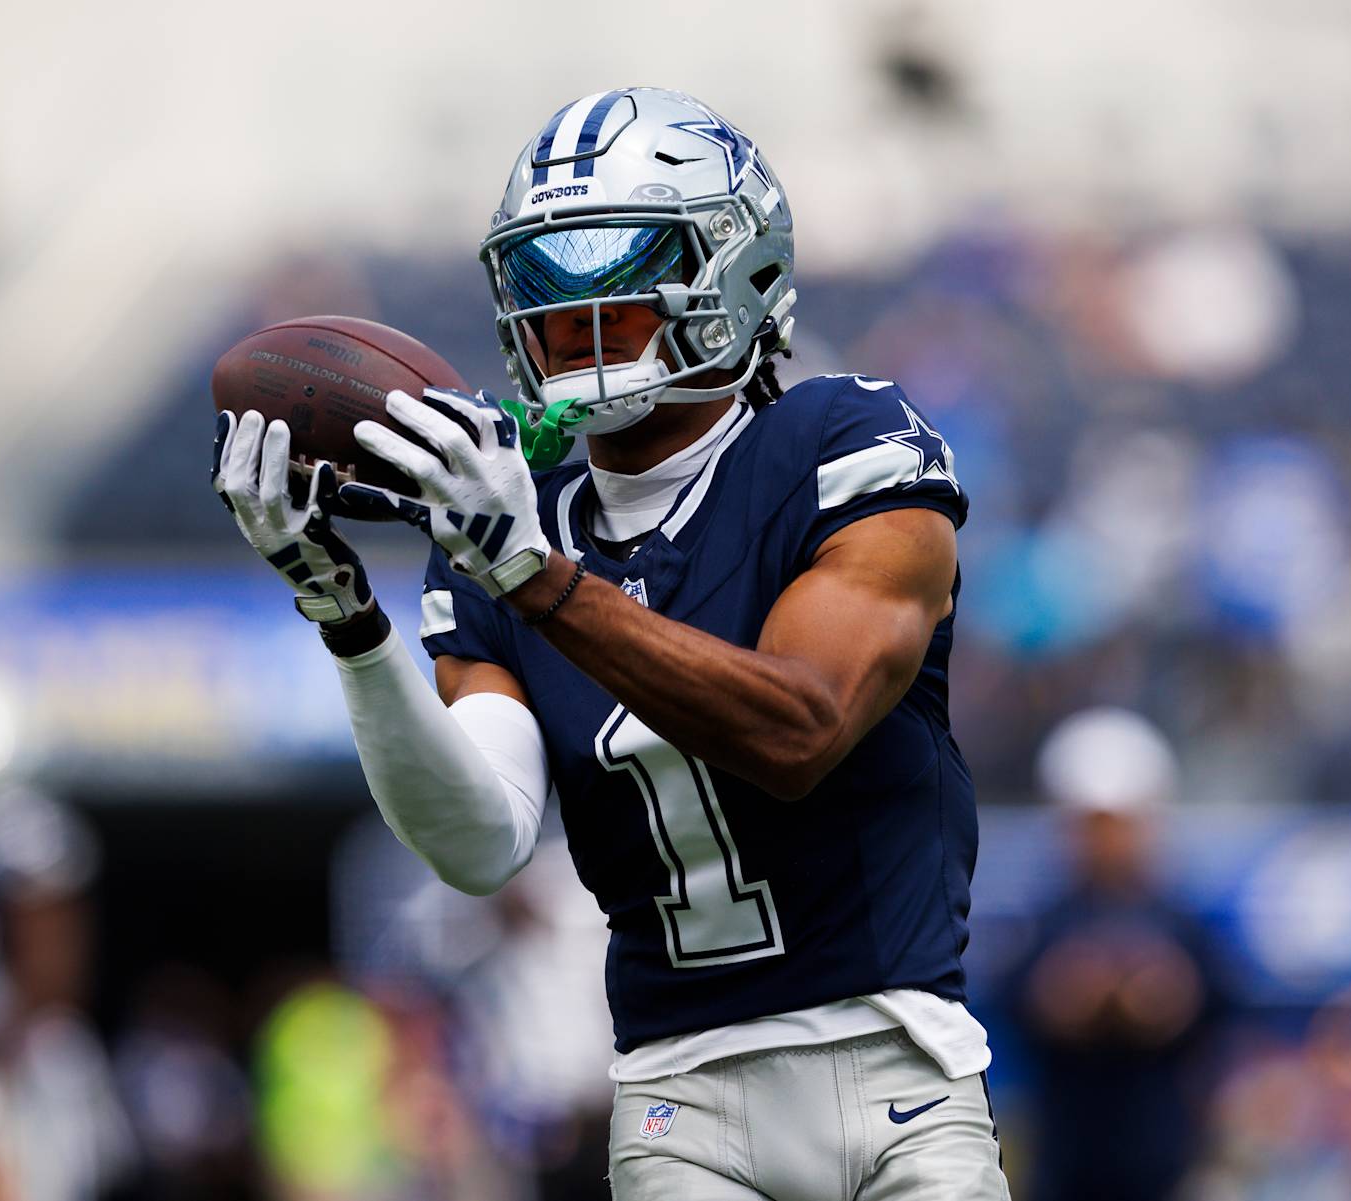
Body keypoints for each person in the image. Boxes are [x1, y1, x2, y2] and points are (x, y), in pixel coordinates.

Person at [213, 87, 1009, 1201]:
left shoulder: (840, 443)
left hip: (899, 1070)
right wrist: (346, 618)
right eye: (545, 286)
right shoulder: (504, 518)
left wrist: (538, 576)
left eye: (619, 279)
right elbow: (481, 840)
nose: (575, 318)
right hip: (678, 1103)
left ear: (739, 272)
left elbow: (800, 726)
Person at [1008, 707, 1224, 1201]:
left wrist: (1169, 999)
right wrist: (1062, 996)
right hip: (1065, 1166)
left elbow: (1216, 1012)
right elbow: (1017, 1005)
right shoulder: (1043, 921)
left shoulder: (1182, 921)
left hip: (1164, 1165)